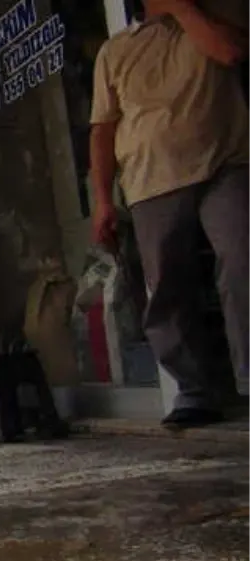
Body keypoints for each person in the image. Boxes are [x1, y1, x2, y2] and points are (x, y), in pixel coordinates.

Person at [91, 0, 250, 430]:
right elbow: (103, 130)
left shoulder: (215, 17)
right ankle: (195, 391)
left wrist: (182, 10)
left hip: (225, 164)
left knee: (241, 261)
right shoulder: (116, 50)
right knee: (166, 286)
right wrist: (103, 200)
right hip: (149, 179)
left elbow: (231, 53)